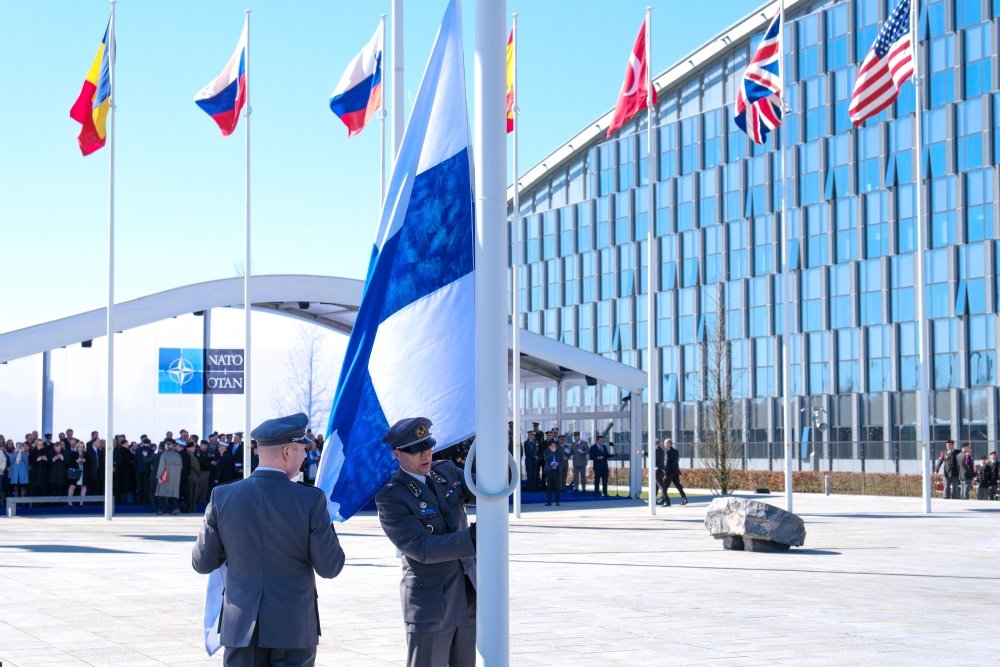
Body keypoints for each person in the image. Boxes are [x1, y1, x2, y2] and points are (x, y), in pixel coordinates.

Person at [192, 412, 346, 666]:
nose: (306, 455)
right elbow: (330, 567)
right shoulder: (311, 500)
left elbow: (202, 562)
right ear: (287, 452)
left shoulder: (222, 496)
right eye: (302, 449)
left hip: (240, 627)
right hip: (294, 627)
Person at [374, 417, 476, 667]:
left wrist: (498, 463)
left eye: (428, 446)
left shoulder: (446, 471)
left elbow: (482, 486)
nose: (425, 454)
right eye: (416, 450)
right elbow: (423, 548)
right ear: (397, 453)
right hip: (431, 604)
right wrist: (475, 537)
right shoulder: (391, 497)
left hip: (467, 593)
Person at [155, 440, 183, 515]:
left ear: (166, 447)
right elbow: (181, 467)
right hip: (176, 478)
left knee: (163, 493)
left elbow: (161, 466)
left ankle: (161, 510)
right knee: (174, 493)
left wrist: (159, 476)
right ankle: (175, 508)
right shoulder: (178, 455)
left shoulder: (164, 455)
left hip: (166, 477)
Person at [662, 439, 689, 506]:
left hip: (669, 472)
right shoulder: (676, 451)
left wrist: (664, 471)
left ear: (668, 444)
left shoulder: (667, 452)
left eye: (665, 443)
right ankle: (684, 498)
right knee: (678, 485)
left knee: (664, 486)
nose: (664, 444)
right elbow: (677, 460)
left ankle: (664, 500)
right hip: (676, 471)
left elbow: (667, 462)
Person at [543, 439, 565, 506]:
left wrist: (558, 463)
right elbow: (546, 458)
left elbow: (562, 461)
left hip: (556, 471)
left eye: (555, 445)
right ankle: (549, 502)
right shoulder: (546, 451)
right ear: (549, 446)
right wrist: (552, 452)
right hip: (549, 471)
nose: (554, 446)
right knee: (549, 487)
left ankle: (557, 502)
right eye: (552, 445)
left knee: (557, 487)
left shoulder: (558, 452)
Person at [654, 439, 669, 506]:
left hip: (658, 470)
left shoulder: (656, 450)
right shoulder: (661, 450)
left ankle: (667, 501)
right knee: (657, 486)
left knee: (661, 487)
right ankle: (652, 499)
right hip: (661, 470)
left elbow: (653, 459)